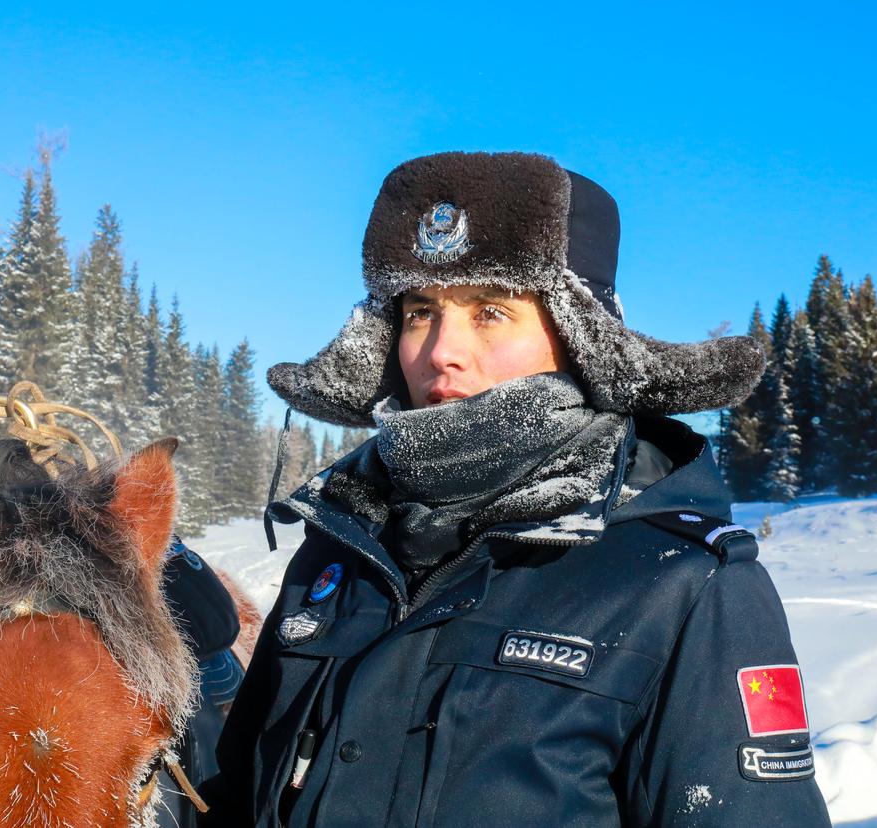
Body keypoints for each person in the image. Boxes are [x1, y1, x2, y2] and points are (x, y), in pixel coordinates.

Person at [200, 151, 831, 826]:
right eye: (419, 312)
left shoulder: (685, 584)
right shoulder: (339, 551)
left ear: (581, 337)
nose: (440, 351)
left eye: (491, 311)